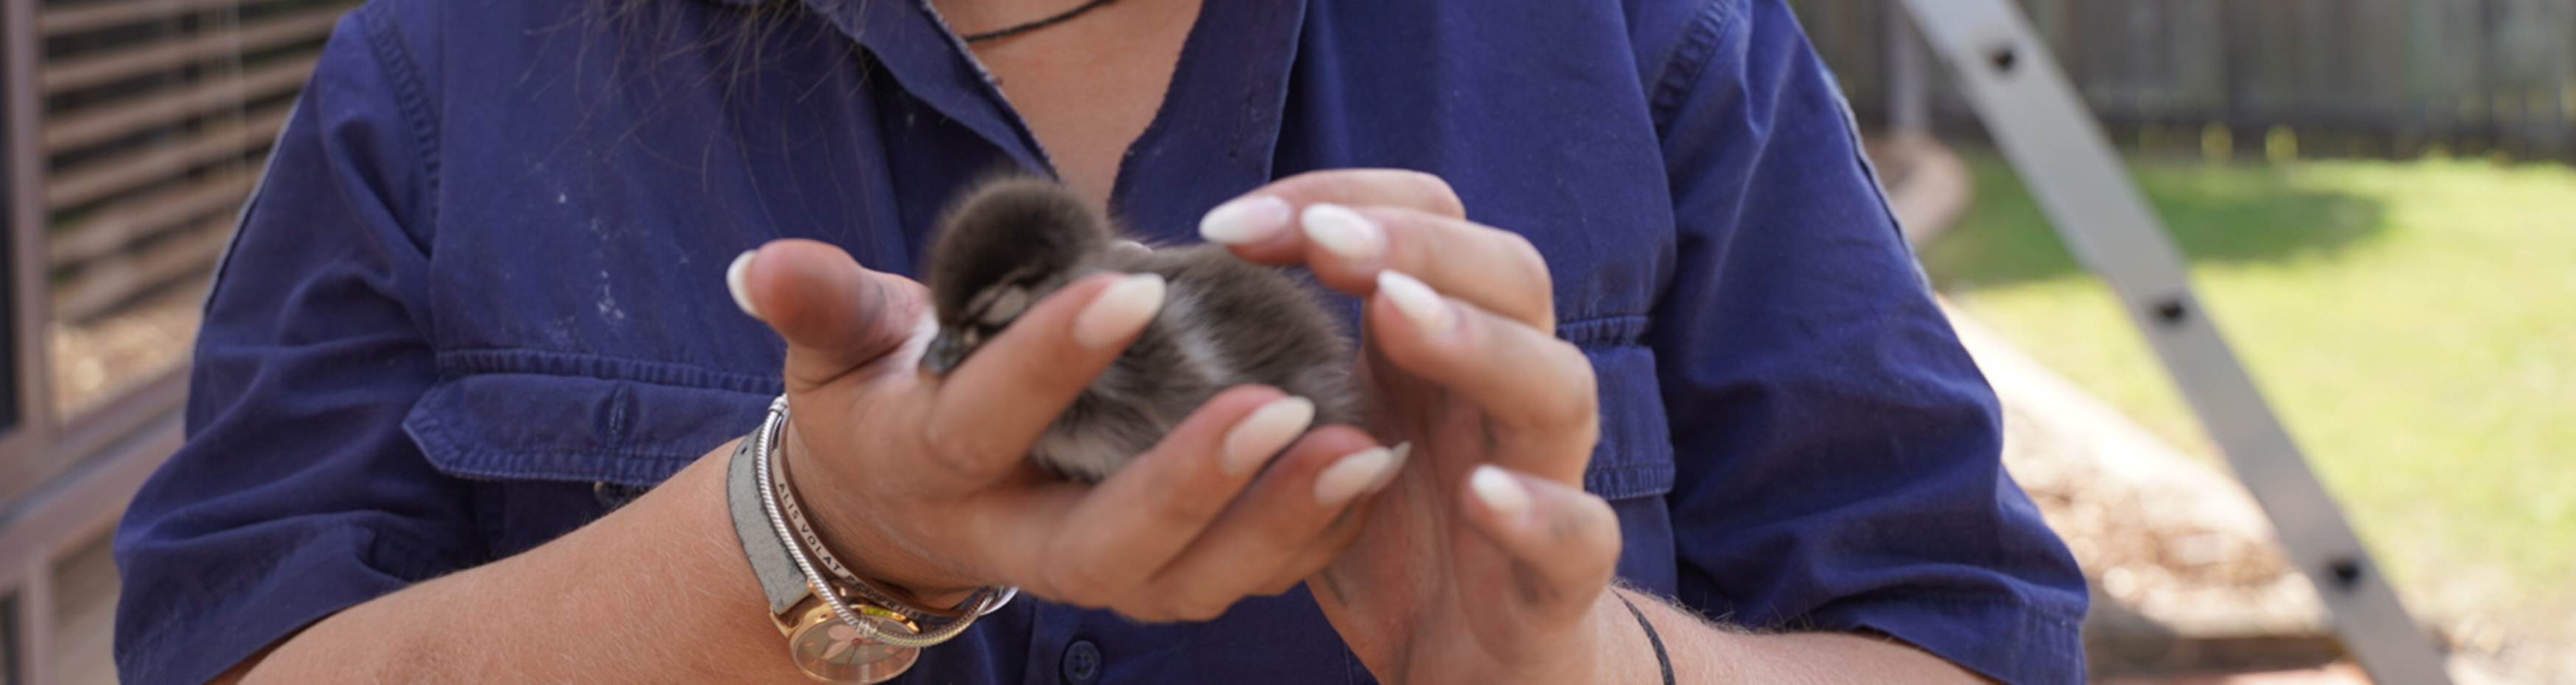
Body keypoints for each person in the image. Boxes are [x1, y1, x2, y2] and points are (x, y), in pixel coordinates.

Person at [113, 0, 2089, 683]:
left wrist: (1584, 661)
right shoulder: (454, 70)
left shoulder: (1642, 37)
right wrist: (807, 537)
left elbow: (1957, 632)